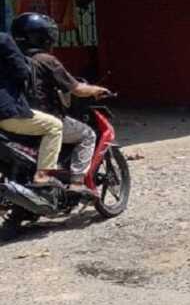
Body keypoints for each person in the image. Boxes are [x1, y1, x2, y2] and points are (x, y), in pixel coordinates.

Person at [11, 13, 110, 196]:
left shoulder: (11, 59)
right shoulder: (46, 60)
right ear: (45, 37)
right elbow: (77, 89)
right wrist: (96, 90)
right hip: (43, 117)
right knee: (87, 134)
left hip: (14, 116)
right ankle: (77, 182)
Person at [0, 24, 63, 187]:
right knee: (55, 126)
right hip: (6, 111)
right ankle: (43, 175)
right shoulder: (3, 40)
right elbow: (22, 71)